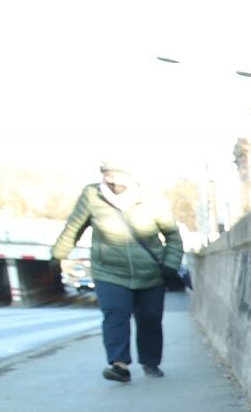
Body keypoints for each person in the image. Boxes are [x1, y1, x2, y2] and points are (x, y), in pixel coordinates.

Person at [51, 162, 184, 382]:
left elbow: (172, 236)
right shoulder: (92, 195)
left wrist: (171, 264)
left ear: (130, 177)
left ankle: (150, 362)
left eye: (116, 175)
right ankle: (119, 365)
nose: (111, 180)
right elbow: (74, 226)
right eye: (106, 175)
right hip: (109, 271)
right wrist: (58, 255)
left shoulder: (150, 201)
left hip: (150, 273)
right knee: (115, 314)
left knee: (149, 318)